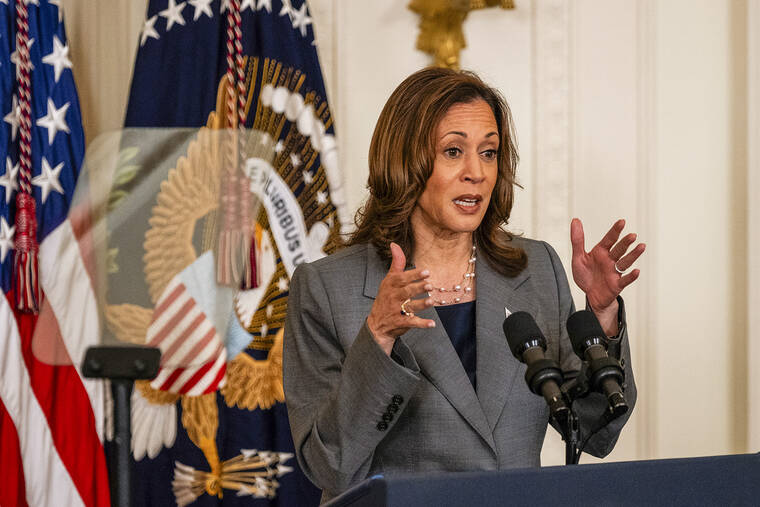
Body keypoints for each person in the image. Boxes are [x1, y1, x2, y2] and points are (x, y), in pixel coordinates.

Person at [283, 67, 645, 502]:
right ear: (404, 161)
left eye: (489, 153)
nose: (477, 172)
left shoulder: (536, 269)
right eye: (453, 151)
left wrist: (603, 315)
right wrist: (378, 337)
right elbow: (327, 464)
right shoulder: (326, 288)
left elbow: (595, 430)